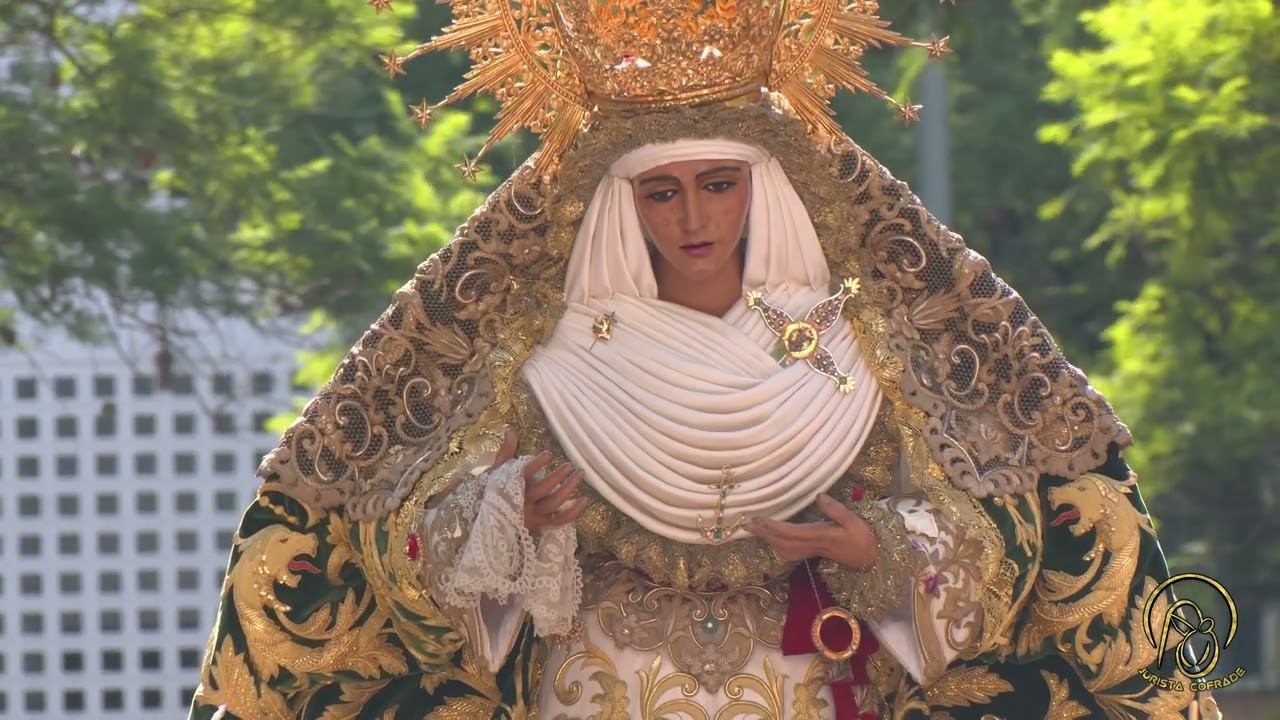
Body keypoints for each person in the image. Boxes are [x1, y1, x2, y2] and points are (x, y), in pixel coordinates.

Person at [190, 2, 1225, 718]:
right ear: (620, 205)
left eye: (719, 184)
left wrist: (876, 550)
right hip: (595, 689)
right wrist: (512, 509)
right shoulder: (546, 359)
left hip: (810, 687)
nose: (693, 217)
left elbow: (986, 533)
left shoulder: (851, 348)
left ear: (761, 191)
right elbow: (410, 560)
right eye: (660, 191)